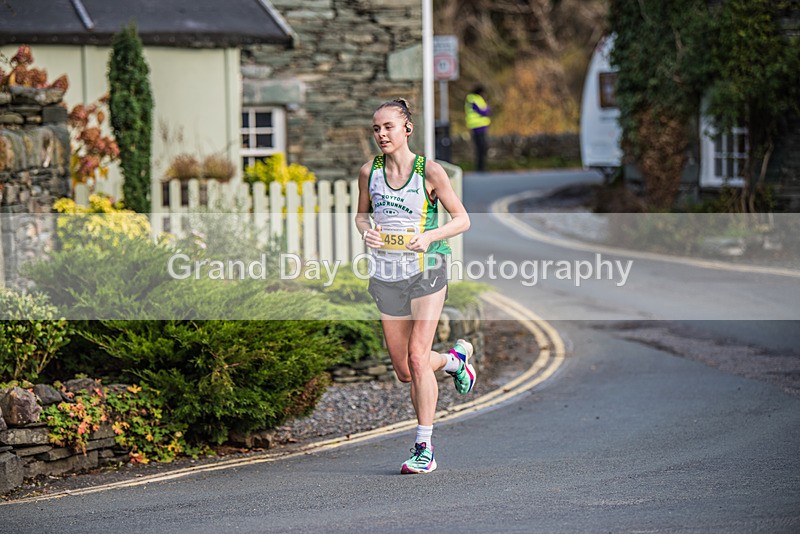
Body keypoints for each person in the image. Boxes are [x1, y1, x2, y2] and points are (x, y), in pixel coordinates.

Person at [355, 98, 474, 474]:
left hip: (428, 268)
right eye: (376, 128)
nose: (381, 135)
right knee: (406, 369)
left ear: (407, 129)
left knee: (419, 357)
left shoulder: (430, 171)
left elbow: (462, 220)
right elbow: (360, 215)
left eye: (388, 127)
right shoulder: (368, 172)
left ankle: (424, 448)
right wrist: (367, 232)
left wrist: (430, 236)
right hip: (387, 275)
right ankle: (455, 361)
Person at [465, 85, 492, 172]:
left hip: (480, 126)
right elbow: (484, 111)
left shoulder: (475, 98)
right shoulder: (473, 98)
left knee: (482, 148)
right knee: (480, 148)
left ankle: (481, 167)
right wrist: (487, 110)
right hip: (477, 126)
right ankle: (480, 168)